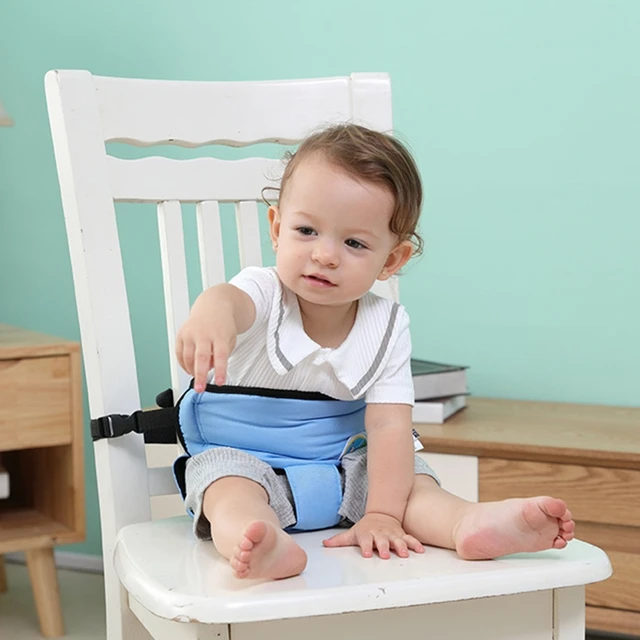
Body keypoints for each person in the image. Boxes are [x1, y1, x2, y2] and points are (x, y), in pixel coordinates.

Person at [175, 123, 575, 581]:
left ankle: (465, 522)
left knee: (411, 482)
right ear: (277, 228)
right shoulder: (264, 292)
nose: (325, 255)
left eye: (354, 243)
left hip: (345, 464)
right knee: (226, 490)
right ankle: (259, 538)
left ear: (391, 261)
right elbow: (229, 301)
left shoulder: (386, 325)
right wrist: (211, 317)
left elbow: (388, 424)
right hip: (247, 459)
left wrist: (383, 513)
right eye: (306, 230)